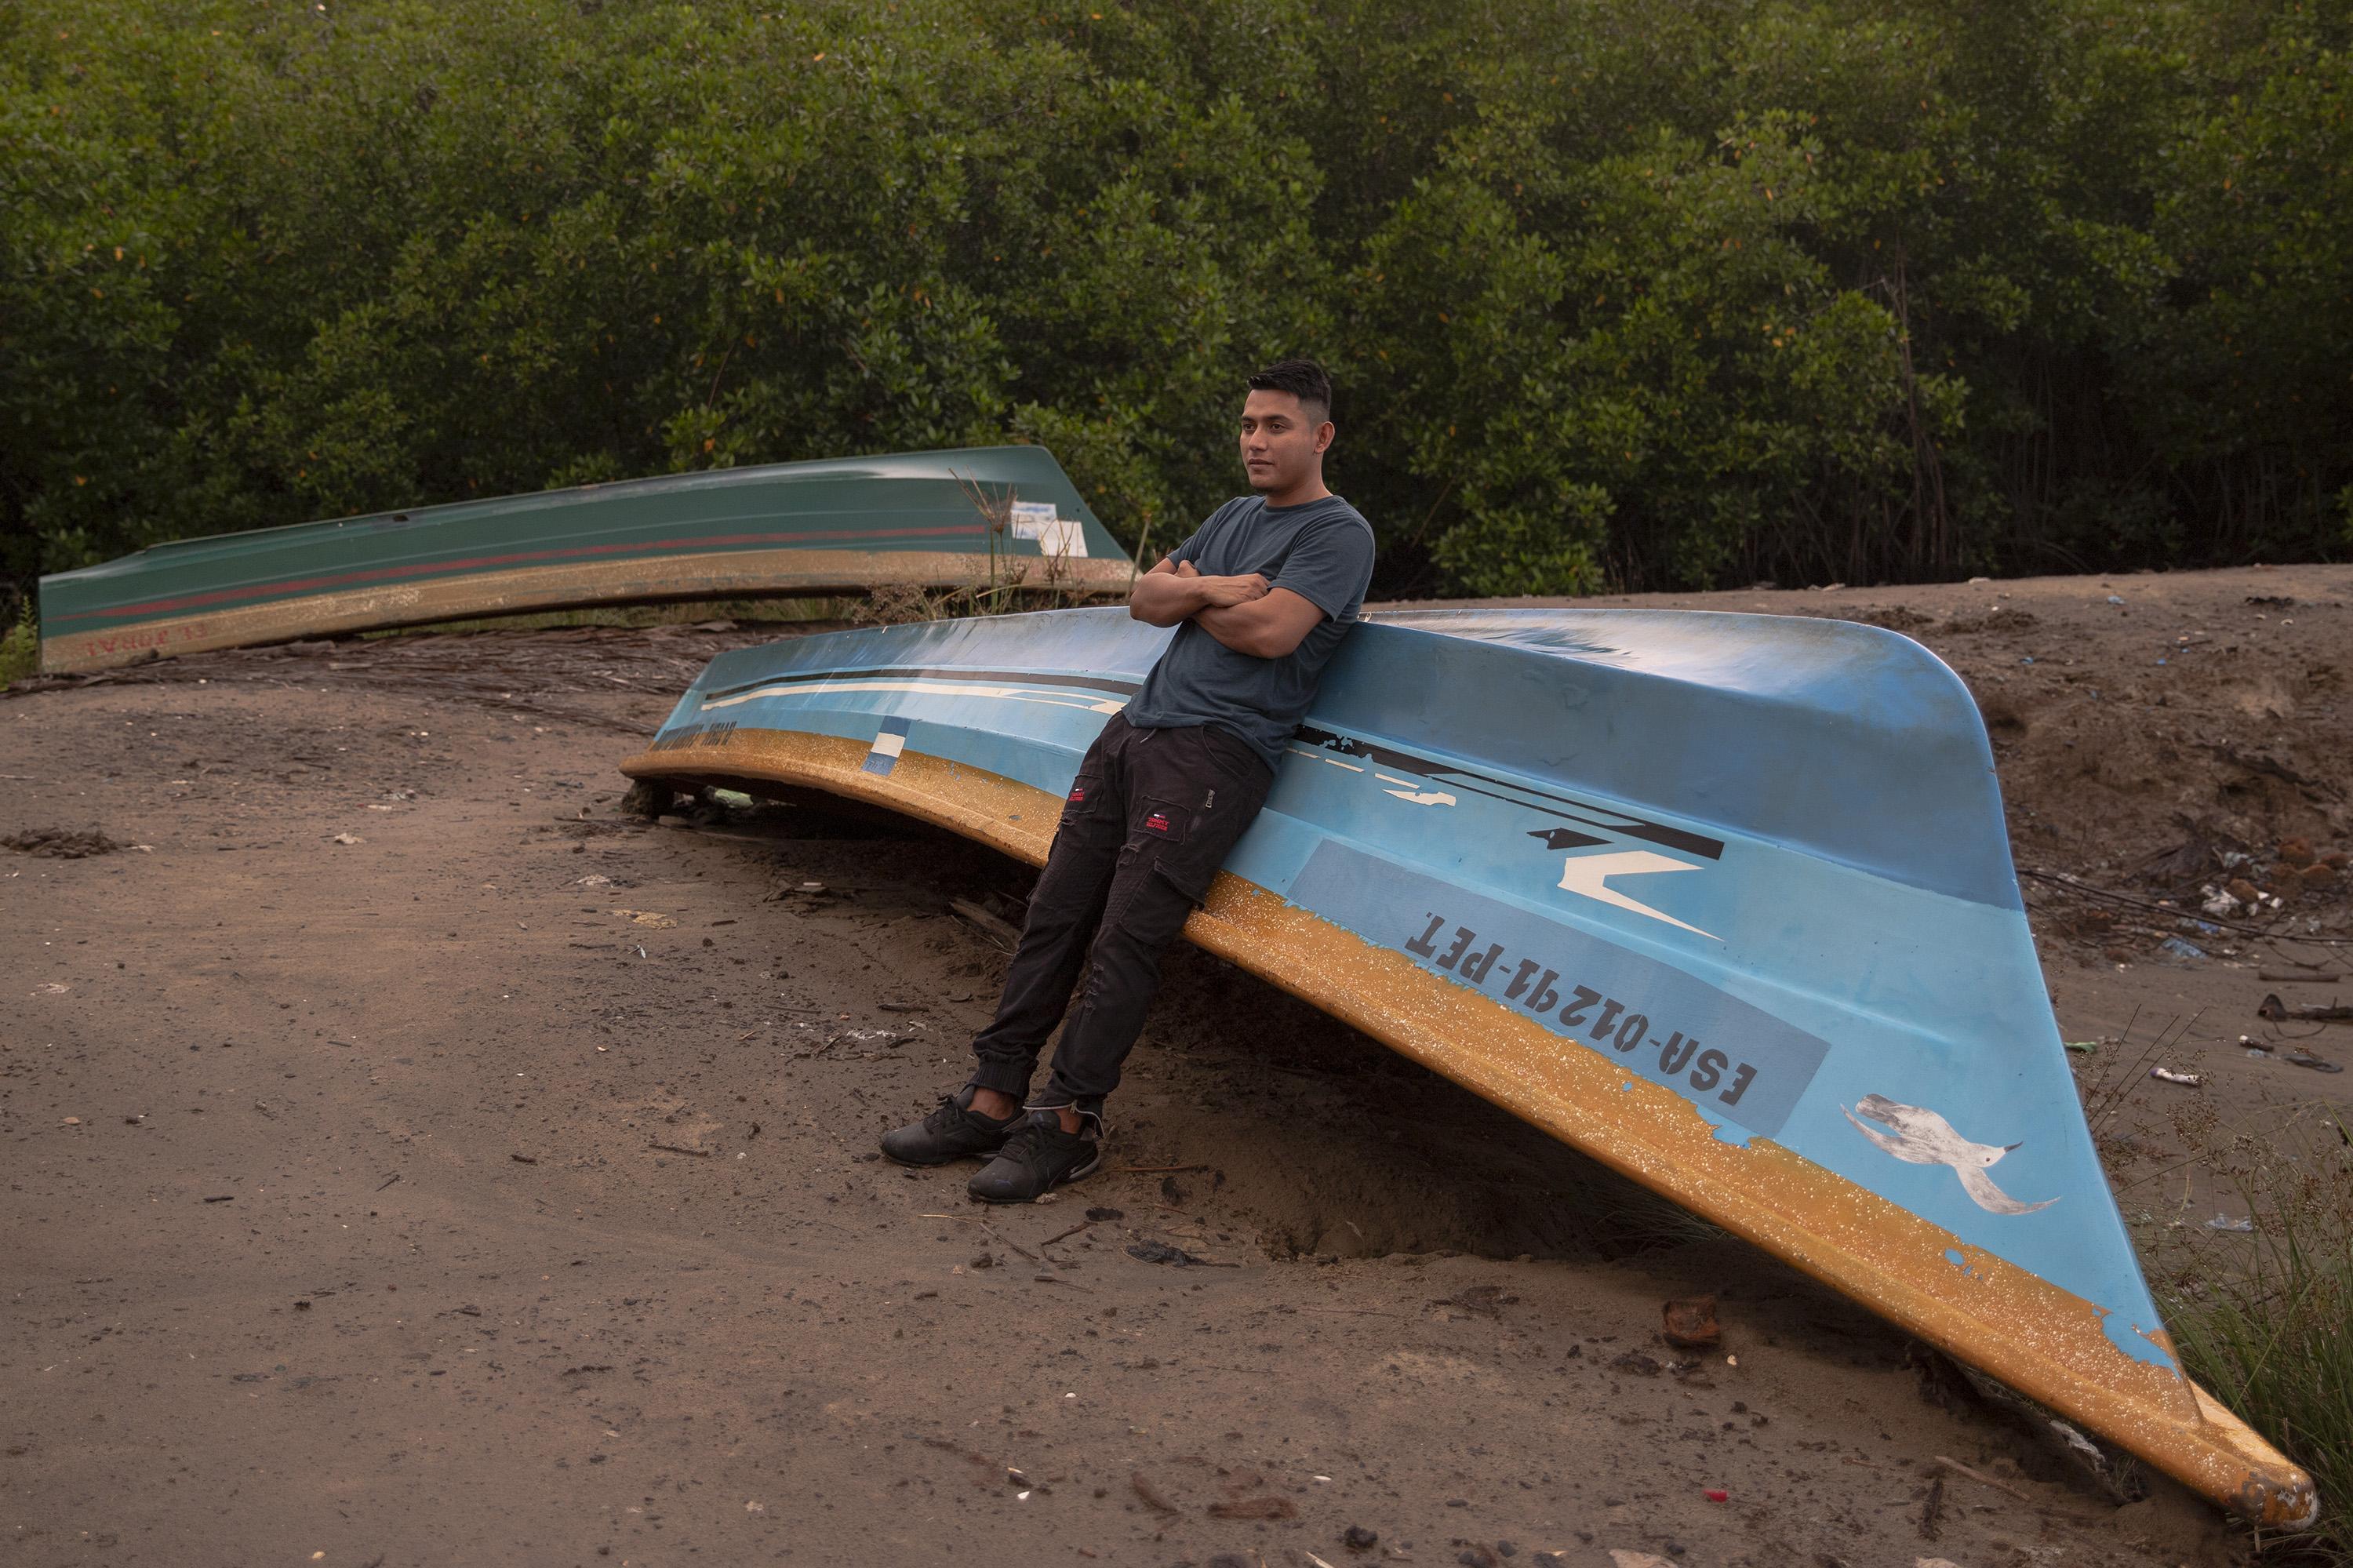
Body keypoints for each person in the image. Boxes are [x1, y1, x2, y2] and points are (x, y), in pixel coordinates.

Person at [880, 358, 1377, 1201]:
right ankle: (992, 1097)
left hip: (1214, 756)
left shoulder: (1337, 535)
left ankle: (1068, 1121)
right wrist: (1213, 586)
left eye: (1277, 426)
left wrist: (1192, 596)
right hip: (1134, 733)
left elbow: (1270, 633)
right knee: (1054, 912)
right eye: (1249, 424)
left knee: (1126, 937)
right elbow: (1145, 600)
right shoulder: (1231, 519)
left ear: (1321, 436)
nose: (1256, 440)